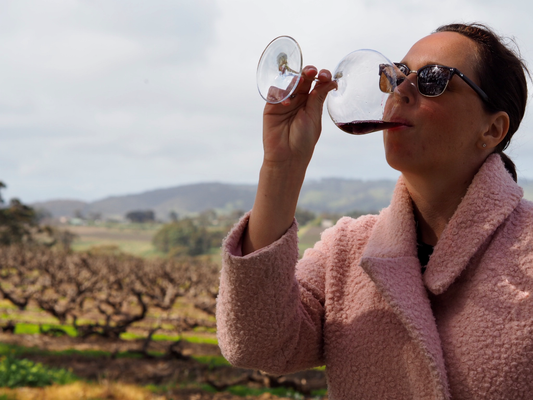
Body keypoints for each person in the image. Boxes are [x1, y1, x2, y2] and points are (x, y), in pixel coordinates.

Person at [216, 23, 533, 399]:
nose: (400, 89)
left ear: (493, 129)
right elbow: (256, 343)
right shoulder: (347, 252)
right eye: (394, 75)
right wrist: (281, 165)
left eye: (433, 79)